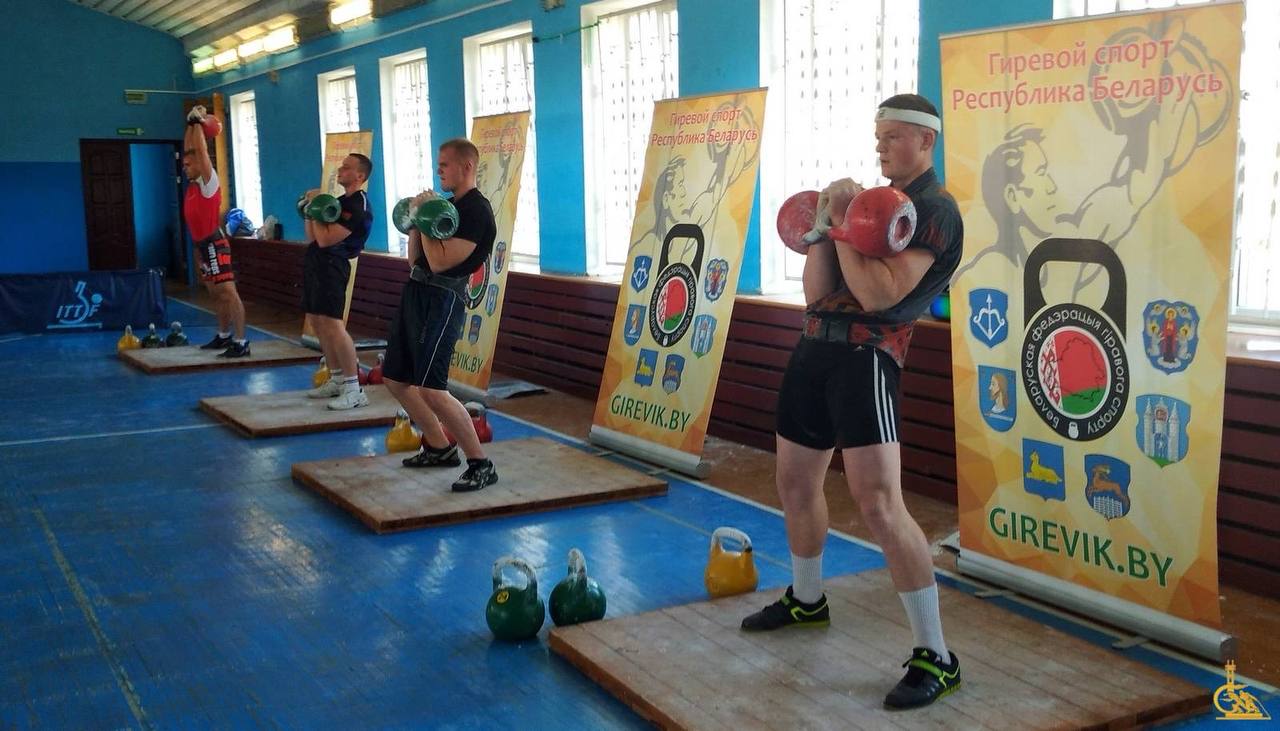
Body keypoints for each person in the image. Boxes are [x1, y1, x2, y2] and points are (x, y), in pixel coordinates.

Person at [741, 94, 964, 711]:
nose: (880, 146)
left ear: (926, 141)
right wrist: (825, 225)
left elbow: (877, 295)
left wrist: (841, 221)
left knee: (880, 505)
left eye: (893, 136)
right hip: (814, 349)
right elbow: (819, 294)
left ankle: (937, 656)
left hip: (868, 358)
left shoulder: (936, 211)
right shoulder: (873, 203)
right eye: (878, 135)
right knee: (794, 484)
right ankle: (807, 599)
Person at [383, 138, 499, 493]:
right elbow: (416, 261)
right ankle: (438, 445)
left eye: (445, 164)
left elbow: (440, 262)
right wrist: (416, 222)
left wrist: (428, 217)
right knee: (395, 379)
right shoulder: (448, 207)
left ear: (466, 167)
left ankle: (480, 464)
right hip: (416, 293)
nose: (438, 170)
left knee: (432, 389)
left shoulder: (477, 211)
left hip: (443, 300)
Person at [301, 154, 375, 410]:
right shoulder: (339, 202)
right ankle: (336, 379)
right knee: (317, 321)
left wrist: (317, 204)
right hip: (316, 262)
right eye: (341, 166)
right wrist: (310, 210)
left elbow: (326, 240)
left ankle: (354, 389)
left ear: (360, 176)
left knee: (333, 325)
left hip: (334, 265)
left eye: (347, 167)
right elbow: (312, 237)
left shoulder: (358, 205)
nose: (340, 170)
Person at [183, 106, 248, 357]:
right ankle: (223, 335)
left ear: (200, 165)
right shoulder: (192, 185)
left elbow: (200, 151)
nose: (185, 167)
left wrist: (199, 124)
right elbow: (190, 149)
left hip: (214, 245)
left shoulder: (209, 183)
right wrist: (191, 123)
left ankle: (241, 341)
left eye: (189, 165)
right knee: (214, 294)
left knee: (228, 293)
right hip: (201, 247)